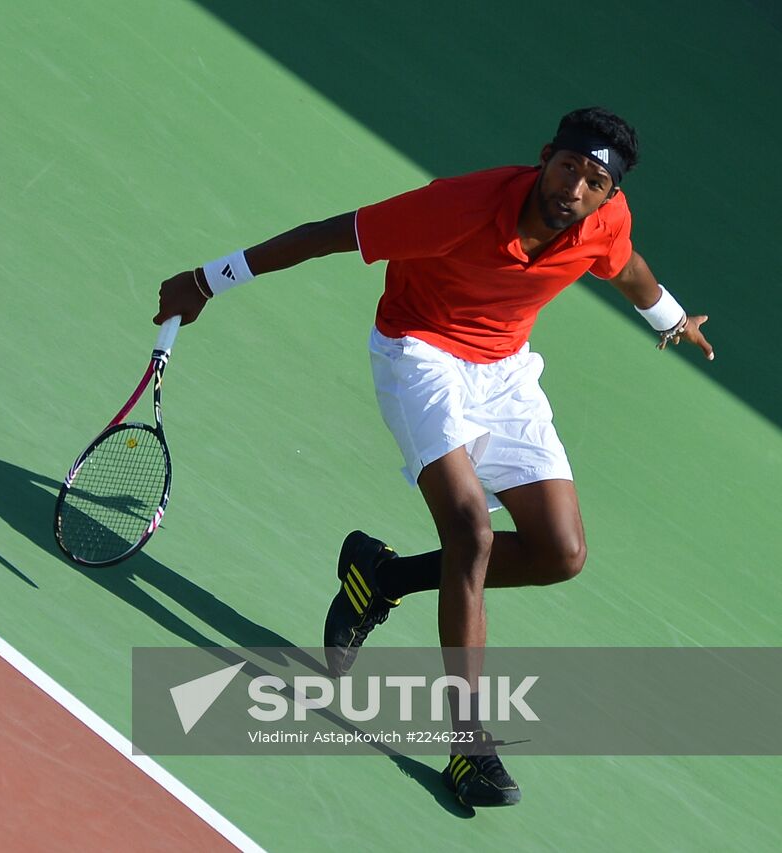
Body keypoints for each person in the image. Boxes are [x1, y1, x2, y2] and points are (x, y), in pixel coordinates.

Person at [153, 107, 713, 808]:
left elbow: (625, 266)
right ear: (546, 157)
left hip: (504, 370)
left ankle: (381, 575)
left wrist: (671, 319)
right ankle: (467, 746)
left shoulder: (604, 222)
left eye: (594, 180)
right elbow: (332, 234)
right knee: (470, 532)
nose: (575, 186)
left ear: (608, 195)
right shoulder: (461, 205)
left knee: (560, 552)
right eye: (568, 166)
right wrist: (206, 281)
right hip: (419, 355)